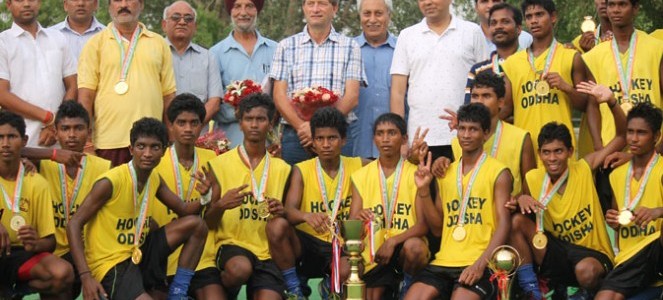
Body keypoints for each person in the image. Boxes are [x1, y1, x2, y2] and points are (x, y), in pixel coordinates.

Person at [67, 118, 210, 300]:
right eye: (141, 146)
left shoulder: (154, 178)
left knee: (197, 225)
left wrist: (206, 196)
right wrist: (86, 277)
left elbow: (184, 210)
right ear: (131, 149)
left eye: (155, 147)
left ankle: (177, 293)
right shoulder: (110, 182)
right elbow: (74, 224)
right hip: (111, 262)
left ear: (164, 151)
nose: (147, 153)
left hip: (138, 250)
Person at [509, 81, 626, 298]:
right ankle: (533, 290)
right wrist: (520, 198)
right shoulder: (533, 178)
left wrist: (611, 102)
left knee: (586, 272)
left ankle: (585, 293)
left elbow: (622, 136)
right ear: (539, 153)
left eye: (558, 151)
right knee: (516, 221)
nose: (552, 158)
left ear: (571, 151)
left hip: (592, 256)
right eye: (546, 152)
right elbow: (517, 204)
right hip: (557, 253)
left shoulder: (584, 167)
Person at [405, 103, 511, 300]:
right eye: (462, 128)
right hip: (444, 261)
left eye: (473, 129)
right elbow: (437, 228)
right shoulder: (445, 172)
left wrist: (480, 265)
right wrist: (424, 190)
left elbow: (504, 224)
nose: (466, 135)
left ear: (486, 134)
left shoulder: (499, 172)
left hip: (480, 261)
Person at [266, 107, 363, 298]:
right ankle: (295, 287)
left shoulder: (359, 165)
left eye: (332, 138)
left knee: (352, 267)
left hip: (339, 244)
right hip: (307, 245)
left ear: (343, 140)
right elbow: (289, 210)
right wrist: (306, 216)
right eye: (320, 139)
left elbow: (388, 164)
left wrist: (412, 158)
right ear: (313, 142)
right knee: (277, 225)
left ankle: (330, 285)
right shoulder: (301, 170)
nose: (326, 144)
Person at [205, 93, 292, 299]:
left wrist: (283, 211)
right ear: (240, 122)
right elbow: (207, 222)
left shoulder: (284, 169)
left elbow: (290, 220)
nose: (254, 125)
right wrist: (221, 205)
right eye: (249, 119)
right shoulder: (218, 165)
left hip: (268, 252)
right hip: (231, 246)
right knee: (239, 270)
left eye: (261, 119)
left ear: (270, 124)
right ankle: (228, 291)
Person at [78, 0, 177, 167]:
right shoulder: (95, 44)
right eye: (117, 0)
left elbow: (169, 96)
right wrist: (87, 143)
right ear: (109, 6)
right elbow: (85, 97)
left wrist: (171, 139)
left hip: (151, 142)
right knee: (112, 192)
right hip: (108, 141)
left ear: (142, 4)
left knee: (150, 192)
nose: (124, 4)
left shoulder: (159, 43)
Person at [390, 0, 487, 161]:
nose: (428, 2)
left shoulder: (472, 32)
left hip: (465, 135)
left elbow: (485, 84)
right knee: (424, 185)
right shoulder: (407, 36)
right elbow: (397, 92)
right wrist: (400, 139)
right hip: (420, 138)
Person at [271, 0, 364, 165]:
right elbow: (279, 96)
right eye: (310, 3)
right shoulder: (285, 46)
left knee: (340, 189)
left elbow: (352, 96)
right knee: (295, 187)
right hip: (297, 134)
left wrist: (318, 128)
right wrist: (302, 128)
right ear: (304, 8)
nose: (315, 9)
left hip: (337, 133)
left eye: (322, 3)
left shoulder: (350, 47)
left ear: (334, 8)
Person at [501, 0, 599, 155]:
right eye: (529, 16)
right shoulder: (512, 63)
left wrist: (566, 87)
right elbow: (505, 108)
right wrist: (475, 121)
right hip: (526, 150)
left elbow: (586, 104)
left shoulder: (571, 56)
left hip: (561, 151)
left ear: (553, 17)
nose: (534, 20)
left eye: (539, 14)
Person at [34, 100, 111, 297]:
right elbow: (11, 153)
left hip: (91, 253)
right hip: (54, 254)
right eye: (65, 128)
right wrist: (51, 154)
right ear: (56, 132)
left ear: (89, 132)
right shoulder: (43, 164)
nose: (71, 135)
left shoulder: (105, 167)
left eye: (78, 128)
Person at [350, 113, 429, 299]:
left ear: (404, 138)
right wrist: (359, 218)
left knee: (415, 248)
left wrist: (393, 241)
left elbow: (423, 225)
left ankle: (407, 286)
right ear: (374, 138)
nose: (385, 139)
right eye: (380, 133)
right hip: (373, 250)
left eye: (392, 133)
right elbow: (352, 224)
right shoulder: (361, 175)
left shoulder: (416, 174)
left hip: (404, 247)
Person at [153, 94, 224, 299]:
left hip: (201, 256)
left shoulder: (211, 159)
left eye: (194, 123)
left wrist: (214, 199)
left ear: (201, 126)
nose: (188, 129)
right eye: (181, 123)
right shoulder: (155, 159)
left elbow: (212, 220)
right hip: (165, 255)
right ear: (171, 125)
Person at [0, 111, 74, 299]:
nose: (5, 144)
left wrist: (35, 243)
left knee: (62, 273)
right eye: (0, 137)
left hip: (20, 255)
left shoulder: (37, 182)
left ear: (24, 140)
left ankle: (14, 290)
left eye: (12, 137)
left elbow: (50, 243)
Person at [596, 103, 663, 300]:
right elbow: (620, 222)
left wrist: (658, 211)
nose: (633, 139)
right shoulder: (616, 175)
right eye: (630, 132)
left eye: (641, 133)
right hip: (630, 258)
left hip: (657, 250)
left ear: (657, 136)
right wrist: (613, 221)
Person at [580, 0, 663, 156]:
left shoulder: (657, 48)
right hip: (612, 150)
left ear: (635, 8)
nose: (616, 10)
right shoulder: (594, 56)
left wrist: (660, 147)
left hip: (653, 149)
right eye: (611, 5)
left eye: (622, 4)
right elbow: (592, 105)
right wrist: (599, 147)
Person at [0, 0, 77, 148]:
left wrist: (57, 124)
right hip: (19, 140)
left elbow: (72, 85)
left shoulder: (58, 38)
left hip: (59, 138)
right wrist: (48, 118)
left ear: (40, 2)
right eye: (19, 0)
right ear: (9, 4)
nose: (27, 4)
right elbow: (2, 95)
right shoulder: (3, 42)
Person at [452, 71, 535, 197]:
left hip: (507, 212)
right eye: (475, 96)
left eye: (486, 96)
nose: (479, 101)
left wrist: (517, 201)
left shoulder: (521, 138)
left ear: (501, 102)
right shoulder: (457, 141)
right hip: (470, 213)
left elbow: (531, 186)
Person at [210, 0, 276, 146]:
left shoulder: (276, 50)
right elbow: (213, 101)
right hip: (229, 140)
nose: (243, 12)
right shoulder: (215, 54)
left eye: (250, 6)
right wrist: (240, 112)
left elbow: (281, 96)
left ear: (257, 10)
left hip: (268, 142)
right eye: (237, 6)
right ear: (230, 11)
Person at [162, 1, 223, 126]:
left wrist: (192, 127)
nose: (182, 22)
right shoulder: (154, 53)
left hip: (199, 136)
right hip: (161, 135)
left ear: (195, 27)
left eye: (188, 18)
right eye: (175, 17)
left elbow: (214, 101)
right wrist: (171, 130)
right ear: (164, 24)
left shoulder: (208, 57)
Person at [352, 0, 396, 159]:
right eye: (366, 13)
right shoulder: (348, 49)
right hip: (355, 143)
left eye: (378, 13)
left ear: (389, 16)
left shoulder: (403, 49)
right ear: (359, 17)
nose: (372, 19)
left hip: (395, 147)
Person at [464, 3, 527, 104]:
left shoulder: (532, 64)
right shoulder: (478, 71)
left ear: (519, 29)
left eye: (505, 22)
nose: (498, 27)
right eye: (493, 23)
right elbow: (470, 112)